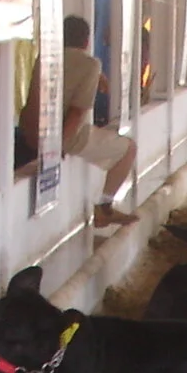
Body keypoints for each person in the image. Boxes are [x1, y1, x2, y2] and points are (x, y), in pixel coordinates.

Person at [59, 13, 136, 230]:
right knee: (129, 149)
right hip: (69, 135)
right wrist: (59, 147)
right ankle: (104, 208)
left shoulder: (47, 58)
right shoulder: (91, 64)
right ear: (86, 41)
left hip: (39, 132)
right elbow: (77, 111)